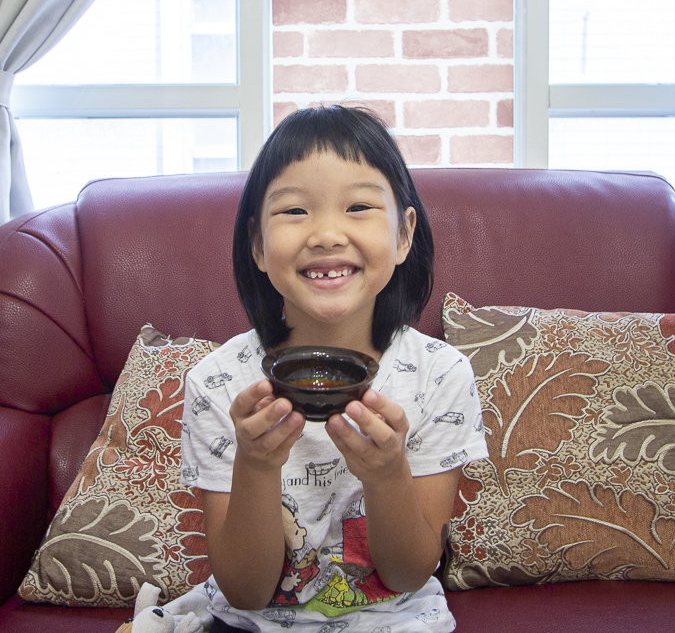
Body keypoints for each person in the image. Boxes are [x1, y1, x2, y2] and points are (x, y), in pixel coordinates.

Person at [181, 105, 489, 633]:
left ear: (403, 233)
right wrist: (255, 465)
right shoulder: (218, 382)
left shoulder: (440, 374)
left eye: (359, 206)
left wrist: (387, 472)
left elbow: (410, 572)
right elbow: (247, 591)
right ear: (257, 243)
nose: (326, 234)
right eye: (295, 212)